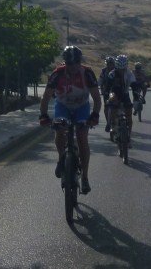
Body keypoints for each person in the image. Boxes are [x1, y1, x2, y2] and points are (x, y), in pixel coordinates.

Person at [39, 46, 102, 194]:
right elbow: (46, 97)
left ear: (80, 62)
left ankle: (85, 177)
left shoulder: (87, 73)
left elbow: (97, 99)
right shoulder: (57, 74)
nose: (73, 67)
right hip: (63, 106)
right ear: (65, 63)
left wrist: (95, 115)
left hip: (82, 107)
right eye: (69, 64)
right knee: (59, 130)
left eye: (75, 64)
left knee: (82, 138)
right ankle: (62, 159)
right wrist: (43, 115)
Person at [103, 54, 137, 140]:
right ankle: (111, 123)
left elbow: (134, 85)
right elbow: (107, 87)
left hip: (125, 94)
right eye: (119, 69)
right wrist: (106, 96)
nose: (121, 70)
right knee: (112, 102)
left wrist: (136, 95)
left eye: (123, 69)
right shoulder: (112, 74)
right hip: (114, 93)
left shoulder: (129, 73)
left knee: (129, 114)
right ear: (116, 66)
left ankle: (128, 135)